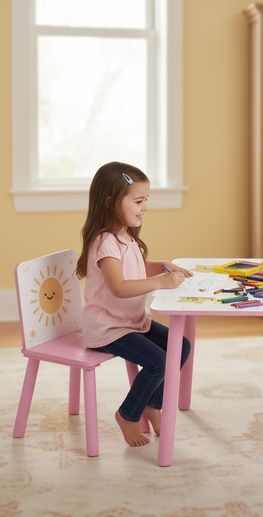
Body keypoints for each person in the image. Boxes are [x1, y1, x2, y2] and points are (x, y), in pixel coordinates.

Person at [75, 161, 193, 447]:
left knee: (181, 346)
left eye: (146, 200)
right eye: (138, 201)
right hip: (107, 328)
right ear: (111, 202)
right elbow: (119, 287)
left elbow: (135, 268)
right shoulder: (105, 242)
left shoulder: (125, 236)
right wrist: (161, 283)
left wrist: (160, 267)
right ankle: (128, 414)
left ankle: (152, 404)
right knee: (158, 362)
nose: (145, 207)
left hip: (130, 322)